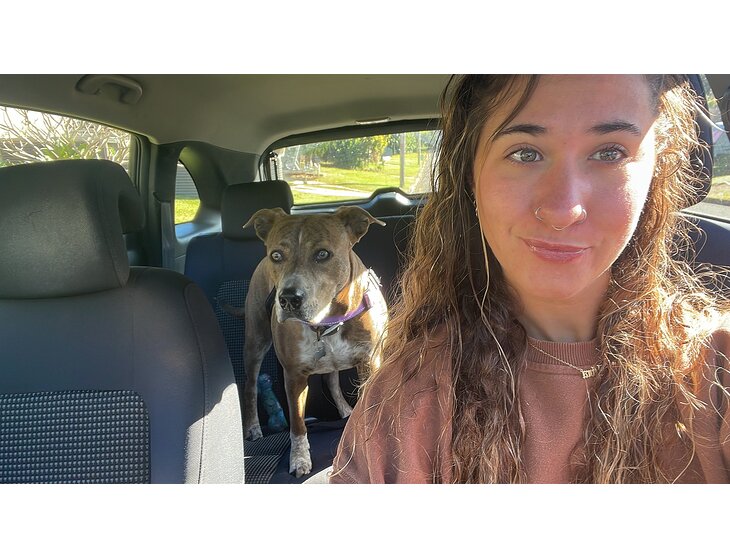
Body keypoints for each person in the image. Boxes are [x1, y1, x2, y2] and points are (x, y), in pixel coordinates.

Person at [328, 75, 730, 484]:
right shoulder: (405, 399)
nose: (564, 210)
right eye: (525, 153)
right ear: (471, 176)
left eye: (610, 153)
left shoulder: (717, 372)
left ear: (657, 171)